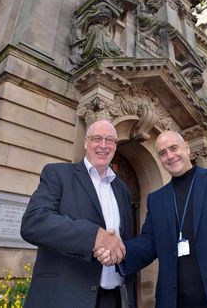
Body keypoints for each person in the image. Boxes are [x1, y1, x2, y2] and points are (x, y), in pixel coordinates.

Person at [95, 130, 207, 308]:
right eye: (163, 153)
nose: (170, 156)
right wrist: (120, 250)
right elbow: (149, 242)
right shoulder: (156, 199)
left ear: (187, 148)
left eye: (174, 148)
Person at [20, 119, 135, 308]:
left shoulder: (123, 190)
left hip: (113, 299)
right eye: (97, 139)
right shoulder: (57, 174)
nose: (103, 146)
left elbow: (125, 241)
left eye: (110, 140)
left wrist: (118, 253)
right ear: (86, 142)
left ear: (115, 146)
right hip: (64, 298)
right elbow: (33, 222)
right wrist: (94, 236)